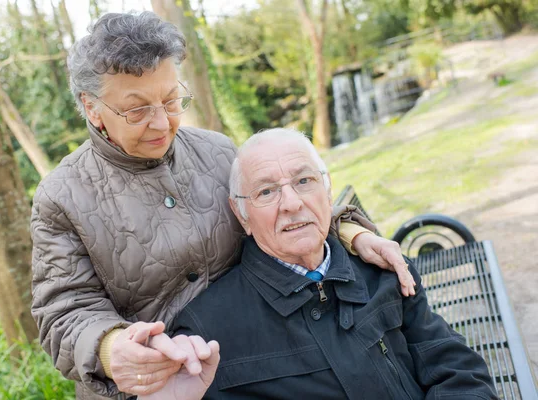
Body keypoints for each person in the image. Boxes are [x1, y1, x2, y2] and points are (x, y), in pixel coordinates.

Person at [30, 11, 415, 400]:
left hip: (262, 367)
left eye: (170, 100)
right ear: (92, 107)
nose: (161, 123)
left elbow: (272, 209)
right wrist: (112, 350)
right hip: (162, 389)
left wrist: (351, 233)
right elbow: (63, 311)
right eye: (137, 110)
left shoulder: (217, 151)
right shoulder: (60, 197)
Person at [159, 128, 498, 400]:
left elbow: (456, 368)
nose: (292, 203)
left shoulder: (383, 273)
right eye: (266, 192)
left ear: (327, 187)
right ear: (241, 214)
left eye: (304, 181)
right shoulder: (207, 330)